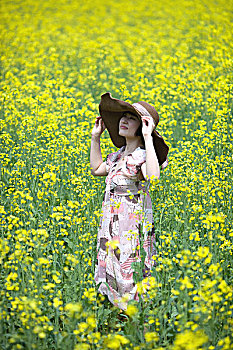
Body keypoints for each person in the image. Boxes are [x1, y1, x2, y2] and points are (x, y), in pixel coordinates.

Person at [90, 92, 169, 310]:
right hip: (110, 226)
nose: (124, 120)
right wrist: (95, 137)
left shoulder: (143, 156)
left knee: (129, 270)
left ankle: (136, 320)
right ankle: (117, 316)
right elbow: (97, 169)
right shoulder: (117, 156)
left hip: (130, 227)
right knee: (111, 270)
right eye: (123, 116)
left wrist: (147, 137)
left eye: (131, 118)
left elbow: (153, 177)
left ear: (143, 126)